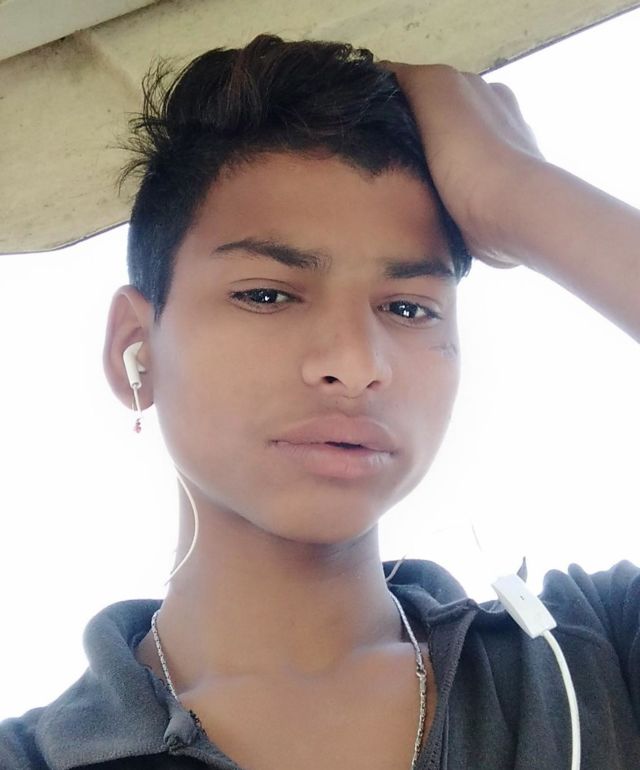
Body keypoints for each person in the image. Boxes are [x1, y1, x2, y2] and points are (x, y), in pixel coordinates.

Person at [1, 32, 639, 770]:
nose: (355, 365)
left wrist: (517, 191)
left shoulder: (591, 657)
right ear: (134, 348)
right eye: (267, 295)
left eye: (408, 308)